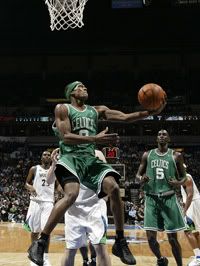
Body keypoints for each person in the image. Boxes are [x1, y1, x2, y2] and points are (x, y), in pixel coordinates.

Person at [28, 81, 166, 266]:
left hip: (89, 159)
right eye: (79, 86)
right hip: (70, 157)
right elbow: (66, 136)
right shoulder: (63, 108)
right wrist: (95, 138)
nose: (84, 88)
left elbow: (125, 117)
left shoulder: (96, 110)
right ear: (71, 92)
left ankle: (120, 241)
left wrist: (150, 113)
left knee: (115, 188)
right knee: (71, 194)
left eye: (85, 86)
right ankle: (41, 242)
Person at [136, 129, 187, 266]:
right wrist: (142, 178)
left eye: (164, 134)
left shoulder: (176, 156)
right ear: (156, 139)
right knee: (151, 238)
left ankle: (179, 264)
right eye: (159, 134)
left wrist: (177, 183)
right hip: (151, 198)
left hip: (168, 198)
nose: (162, 136)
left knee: (172, 239)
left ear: (169, 138)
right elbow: (137, 176)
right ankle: (160, 259)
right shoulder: (147, 155)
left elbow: (184, 177)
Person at [61, 149, 111, 266]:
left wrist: (105, 197)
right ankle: (86, 259)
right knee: (70, 248)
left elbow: (106, 176)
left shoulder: (97, 153)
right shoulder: (66, 154)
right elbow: (59, 184)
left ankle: (90, 259)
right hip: (73, 206)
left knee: (100, 247)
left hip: (95, 205)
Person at [25, 150, 56, 266]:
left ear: (51, 158)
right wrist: (30, 187)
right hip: (35, 202)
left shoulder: (54, 170)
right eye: (45, 155)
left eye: (49, 155)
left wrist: (61, 192)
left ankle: (45, 257)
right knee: (34, 231)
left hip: (48, 202)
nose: (47, 156)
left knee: (46, 232)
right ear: (41, 157)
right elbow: (26, 183)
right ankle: (34, 256)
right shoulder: (34, 169)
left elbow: (57, 186)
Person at [180, 164, 200, 266]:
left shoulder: (186, 177)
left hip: (193, 205)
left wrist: (184, 210)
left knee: (188, 230)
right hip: (194, 205)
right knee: (195, 232)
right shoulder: (182, 178)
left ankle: (198, 258)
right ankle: (198, 256)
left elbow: (190, 195)